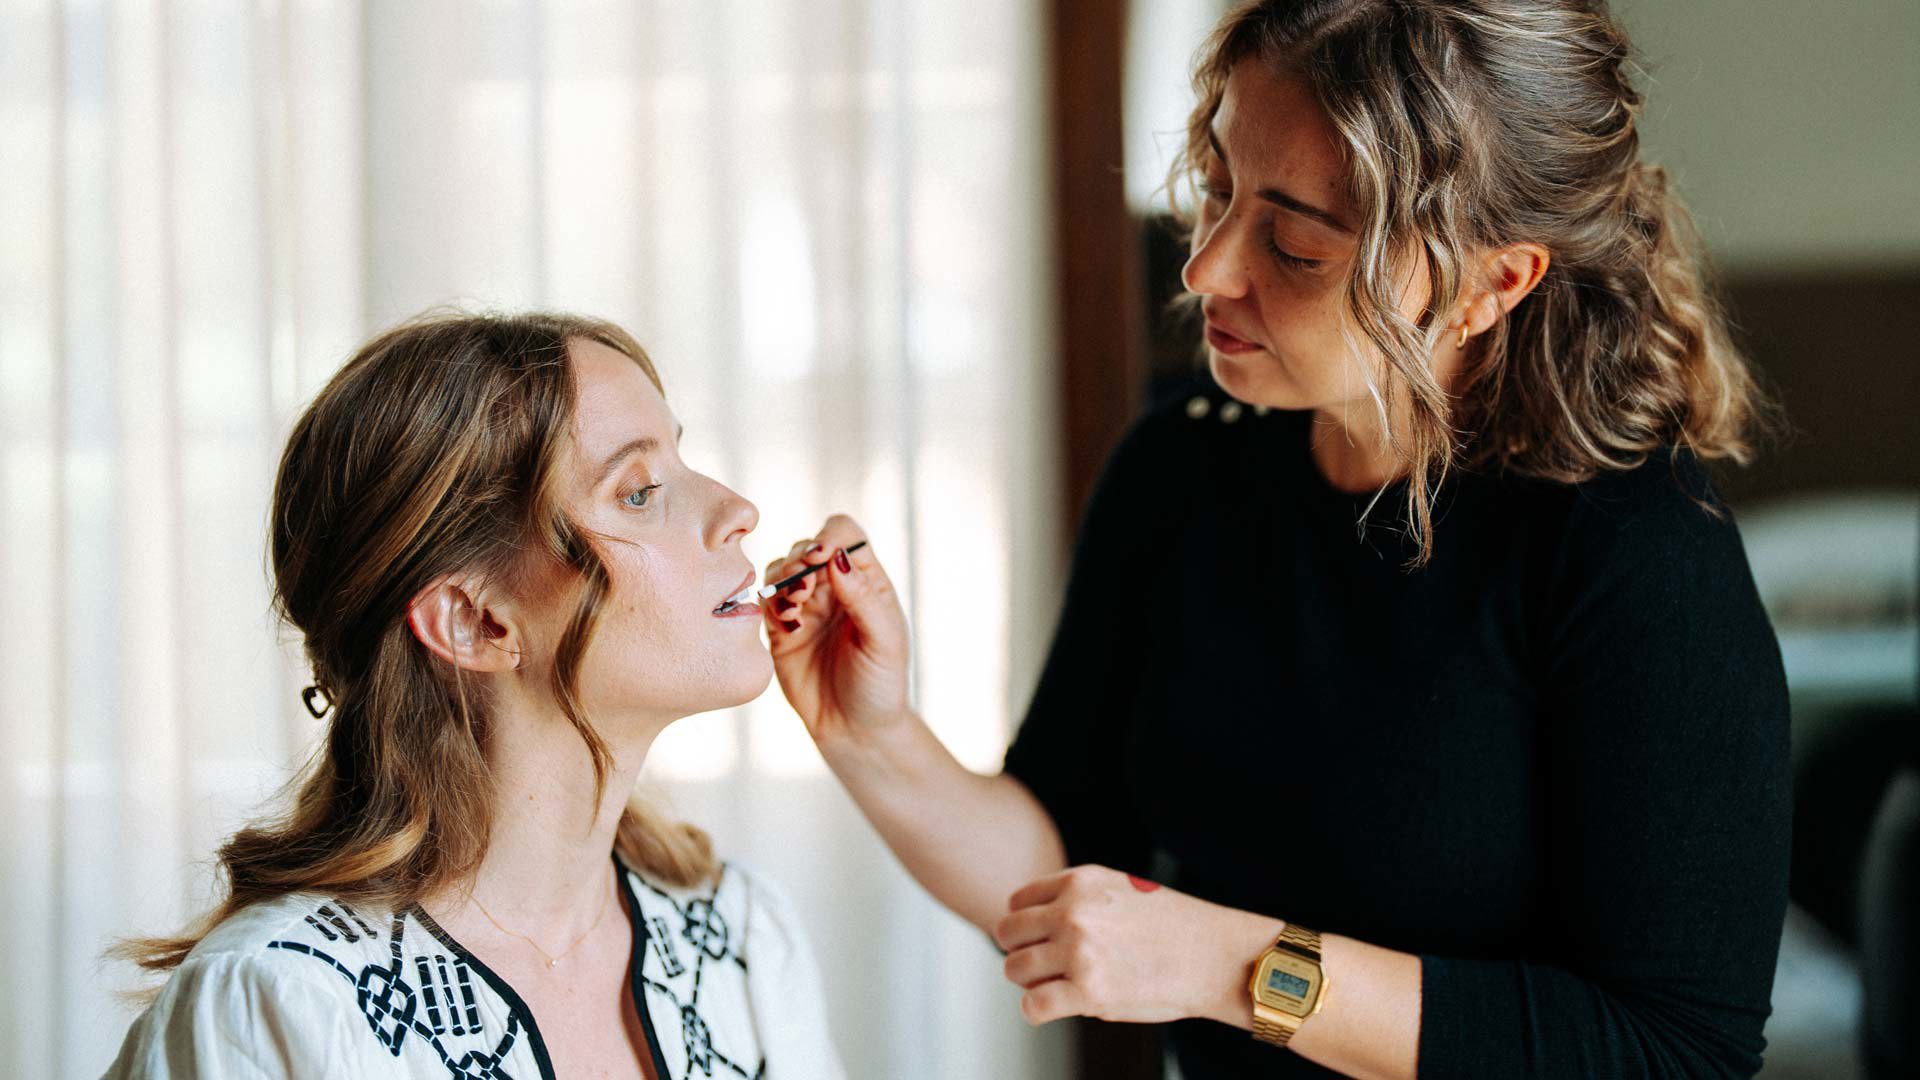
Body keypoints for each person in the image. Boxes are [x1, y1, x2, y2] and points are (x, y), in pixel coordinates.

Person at [760, 2, 1790, 1077]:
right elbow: (1065, 868)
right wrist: (868, 734)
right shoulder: (1180, 472)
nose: (1206, 267)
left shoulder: (1635, 556)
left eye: (1293, 245)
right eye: (1217, 188)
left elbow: (1678, 1050)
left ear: (1493, 282)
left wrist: (1237, 967)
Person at [107, 312, 846, 1080]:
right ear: (473, 620)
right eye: (639, 491)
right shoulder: (275, 1005)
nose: (737, 511)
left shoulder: (742, 939)